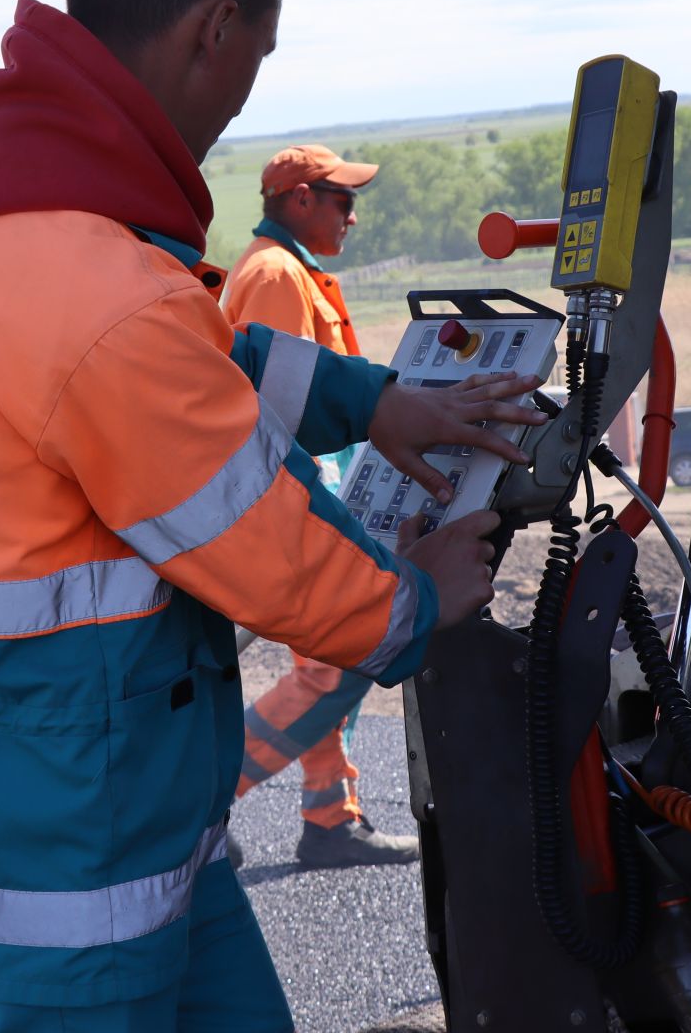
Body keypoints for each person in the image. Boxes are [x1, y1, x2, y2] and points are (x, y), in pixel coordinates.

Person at [0, 0, 544, 1033]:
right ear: (214, 29)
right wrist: (415, 599)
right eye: (254, 64)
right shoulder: (101, 290)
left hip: (56, 787)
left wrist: (372, 402)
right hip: (63, 855)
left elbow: (174, 364)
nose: (238, 106)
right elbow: (260, 545)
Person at [222, 145, 416, 868]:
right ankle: (203, 802)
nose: (353, 216)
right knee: (340, 668)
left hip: (305, 504)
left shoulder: (285, 269)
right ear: (300, 200)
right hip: (294, 509)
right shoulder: (274, 275)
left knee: (331, 660)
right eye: (342, 200)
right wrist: (323, 519)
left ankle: (330, 819)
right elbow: (283, 413)